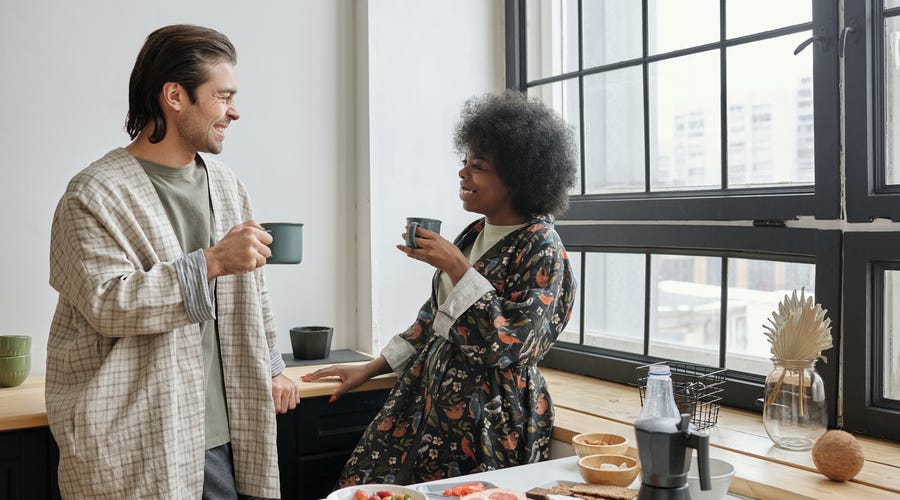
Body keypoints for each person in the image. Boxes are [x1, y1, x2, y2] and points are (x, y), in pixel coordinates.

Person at [45, 24, 297, 499]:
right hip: (136, 441)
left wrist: (272, 366)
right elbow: (108, 303)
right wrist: (212, 262)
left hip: (222, 434)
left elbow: (254, 291)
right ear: (175, 96)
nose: (235, 111)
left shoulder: (226, 185)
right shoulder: (94, 195)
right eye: (223, 96)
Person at [302, 90, 578, 485]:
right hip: (427, 400)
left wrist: (455, 266)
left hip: (489, 416)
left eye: (478, 166)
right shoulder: (474, 232)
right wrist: (370, 368)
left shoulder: (541, 245)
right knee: (363, 485)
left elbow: (516, 344)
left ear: (518, 177)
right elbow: (434, 320)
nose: (463, 174)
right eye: (464, 162)